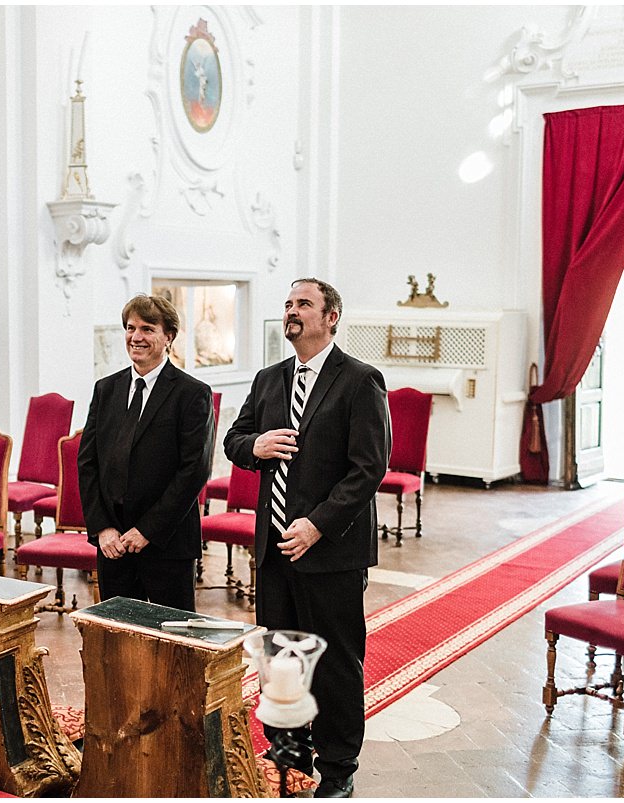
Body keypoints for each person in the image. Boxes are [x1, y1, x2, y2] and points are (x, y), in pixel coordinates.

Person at [224, 278, 390, 798]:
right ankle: (288, 755)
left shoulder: (360, 380)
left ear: (331, 316)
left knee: (336, 665)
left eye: (303, 304)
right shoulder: (269, 379)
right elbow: (233, 440)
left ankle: (338, 771)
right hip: (274, 548)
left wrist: (317, 524)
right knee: (280, 662)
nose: (291, 312)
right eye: (288, 304)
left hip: (330, 552)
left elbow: (369, 468)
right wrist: (257, 444)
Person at [77, 294, 215, 611]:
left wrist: (147, 531)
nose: (136, 337)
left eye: (148, 329)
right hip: (113, 543)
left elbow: (194, 469)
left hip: (167, 542)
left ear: (168, 337)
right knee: (117, 635)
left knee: (175, 640)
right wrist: (103, 529)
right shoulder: (106, 388)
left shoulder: (192, 393)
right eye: (130, 327)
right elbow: (87, 462)